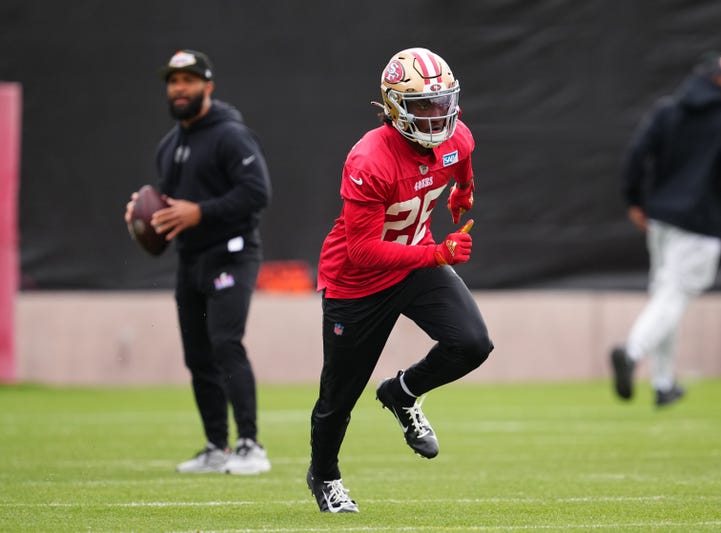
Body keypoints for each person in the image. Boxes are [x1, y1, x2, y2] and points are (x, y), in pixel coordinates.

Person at [306, 47, 494, 513]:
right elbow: (362, 250)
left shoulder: (457, 138)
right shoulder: (369, 160)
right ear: (394, 107)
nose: (437, 115)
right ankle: (324, 476)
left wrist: (463, 193)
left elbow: (462, 161)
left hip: (411, 264)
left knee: (472, 343)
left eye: (442, 102)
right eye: (423, 106)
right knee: (339, 397)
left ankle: (402, 393)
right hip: (358, 281)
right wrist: (436, 253)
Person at [124, 49, 273, 473]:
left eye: (188, 80)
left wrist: (200, 212)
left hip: (233, 253)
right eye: (173, 81)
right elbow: (169, 207)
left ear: (207, 86)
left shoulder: (231, 135)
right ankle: (215, 447)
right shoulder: (168, 146)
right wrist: (145, 217)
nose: (180, 88)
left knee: (226, 343)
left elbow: (257, 193)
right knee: (198, 355)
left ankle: (250, 445)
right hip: (191, 260)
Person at [611, 51, 721, 407]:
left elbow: (636, 154)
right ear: (720, 81)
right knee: (674, 296)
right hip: (702, 223)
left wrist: (634, 200)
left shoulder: (667, 110)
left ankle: (664, 385)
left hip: (661, 219)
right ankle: (631, 352)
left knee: (665, 295)